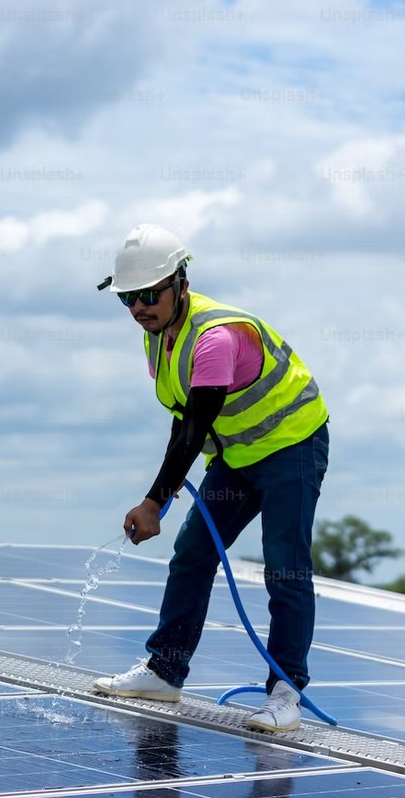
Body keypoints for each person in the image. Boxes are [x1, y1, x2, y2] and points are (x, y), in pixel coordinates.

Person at [91, 224, 329, 733]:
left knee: (284, 568)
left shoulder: (215, 337)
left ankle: (285, 693)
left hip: (293, 448)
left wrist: (153, 501)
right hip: (239, 456)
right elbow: (185, 420)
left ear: (180, 281)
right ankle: (165, 670)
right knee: (193, 552)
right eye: (128, 299)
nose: (138, 308)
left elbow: (196, 426)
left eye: (148, 295)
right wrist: (163, 495)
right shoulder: (158, 339)